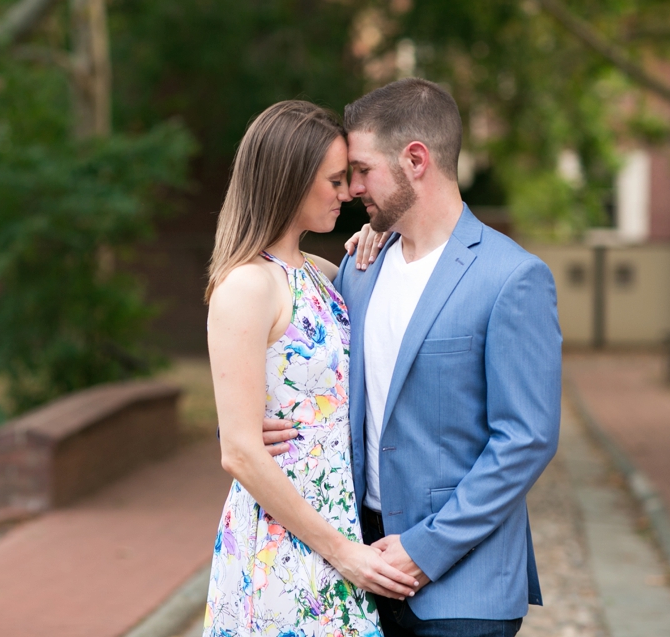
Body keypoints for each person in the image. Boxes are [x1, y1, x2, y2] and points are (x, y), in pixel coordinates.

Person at [262, 78, 563, 637]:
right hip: (358, 570)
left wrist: (425, 549)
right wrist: (260, 425)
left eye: (362, 170)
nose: (351, 189)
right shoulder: (359, 269)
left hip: (464, 585)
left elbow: (526, 439)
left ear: (415, 160)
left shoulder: (512, 277)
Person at [203, 100, 419, 637]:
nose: (348, 193)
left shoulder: (322, 273)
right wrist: (342, 553)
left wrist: (375, 238)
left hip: (338, 521)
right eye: (335, 180)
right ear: (289, 181)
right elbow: (239, 451)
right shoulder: (246, 286)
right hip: (286, 539)